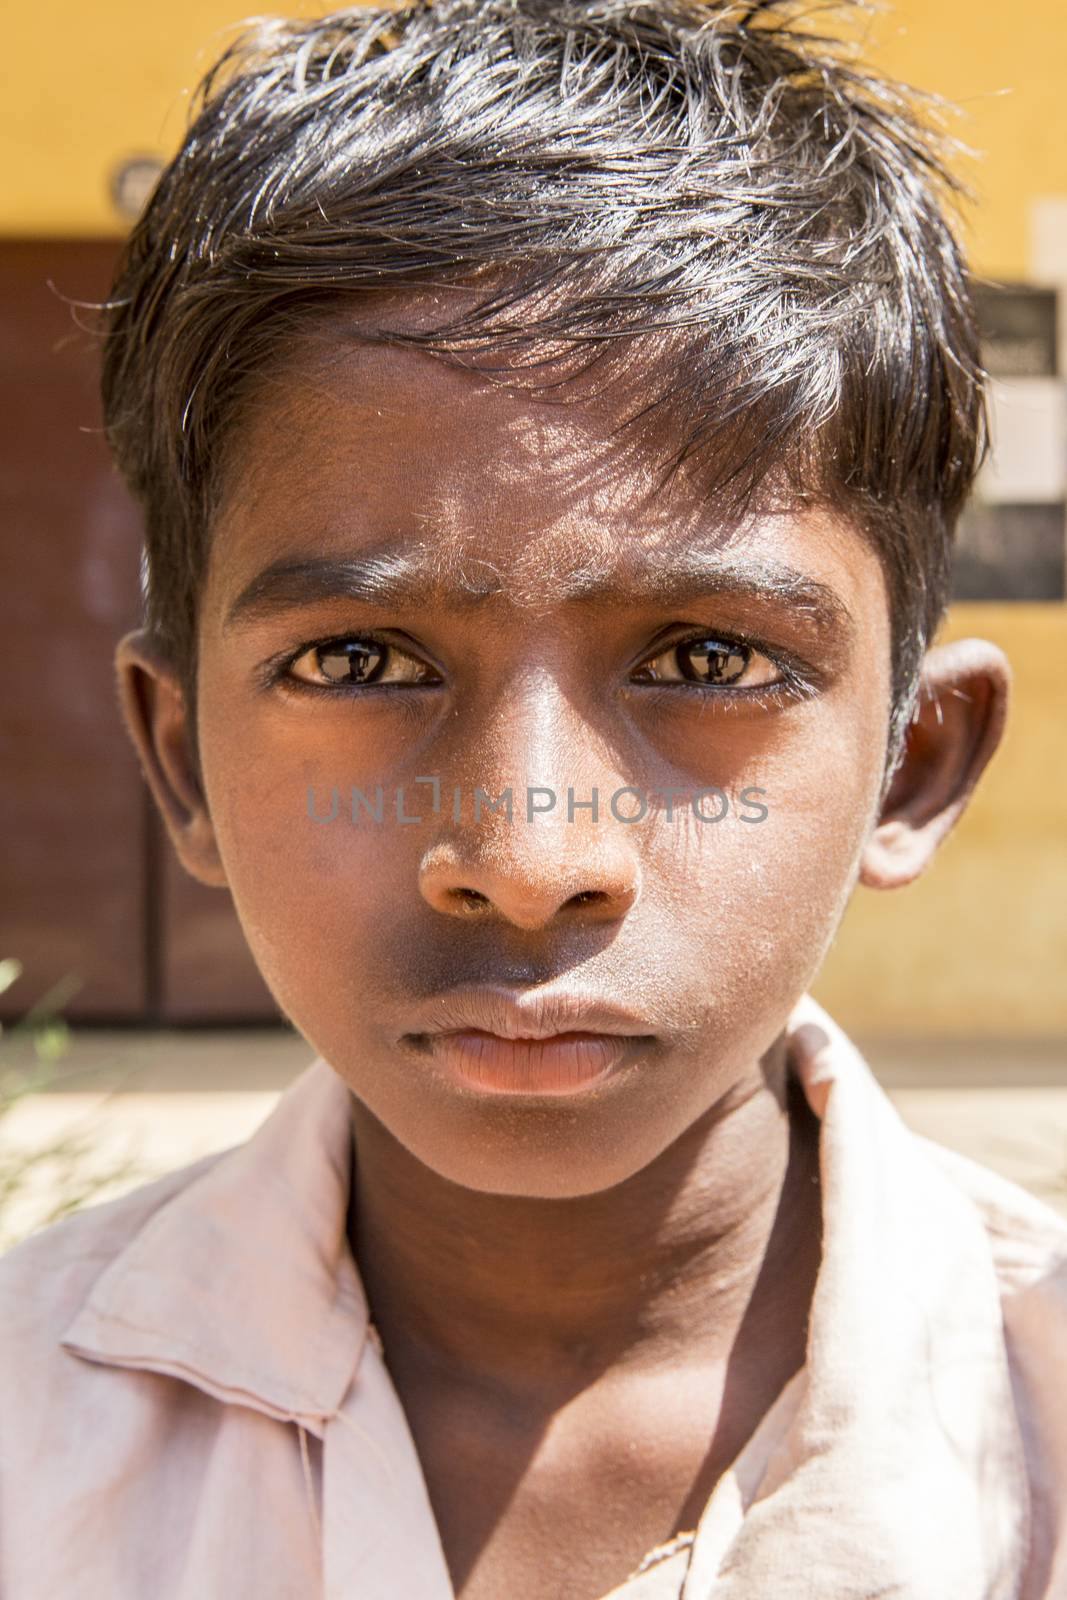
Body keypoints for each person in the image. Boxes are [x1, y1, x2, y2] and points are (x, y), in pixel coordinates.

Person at [2, 1, 1065, 1596]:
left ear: (914, 762)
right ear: (181, 759)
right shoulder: (31, 1438)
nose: (527, 860)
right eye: (360, 663)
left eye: (707, 656)